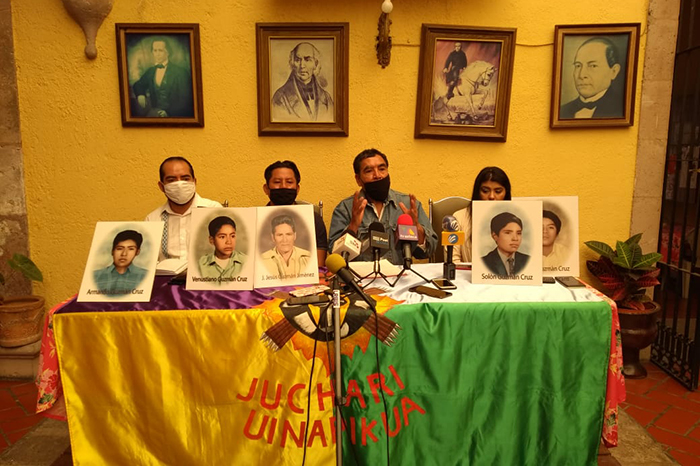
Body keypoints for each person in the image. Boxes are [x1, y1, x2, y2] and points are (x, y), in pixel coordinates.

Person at [328, 148, 437, 265]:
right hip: (361, 276)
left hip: (399, 275)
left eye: (382, 169)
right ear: (358, 179)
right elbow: (336, 256)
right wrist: (353, 226)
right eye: (369, 171)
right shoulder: (345, 208)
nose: (377, 175)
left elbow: (428, 252)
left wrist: (416, 227)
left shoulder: (407, 205)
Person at [145, 157, 221, 262]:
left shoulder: (214, 211)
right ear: (161, 186)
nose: (179, 184)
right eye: (171, 180)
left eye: (185, 179)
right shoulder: (152, 220)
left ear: (194, 182)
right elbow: (148, 262)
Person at [262, 160, 328, 266]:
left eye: (289, 182)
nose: (283, 186)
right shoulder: (257, 220)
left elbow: (319, 266)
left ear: (297, 189)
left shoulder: (313, 219)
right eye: (277, 182)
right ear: (266, 189)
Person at [451, 166, 512, 263]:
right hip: (467, 272)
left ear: (506, 193)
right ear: (477, 192)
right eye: (485, 191)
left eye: (498, 191)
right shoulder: (458, 218)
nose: (491, 196)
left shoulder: (515, 219)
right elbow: (453, 261)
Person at [560, 37, 624, 119]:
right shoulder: (562, 111)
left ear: (614, 71)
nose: (581, 75)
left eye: (593, 66)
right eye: (578, 66)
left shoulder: (621, 109)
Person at [132, 38, 194, 118]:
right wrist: (140, 94)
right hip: (155, 111)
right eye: (155, 50)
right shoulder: (151, 71)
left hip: (175, 114)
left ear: (168, 52)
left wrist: (169, 112)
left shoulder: (181, 72)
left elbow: (185, 100)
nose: (157, 54)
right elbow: (138, 85)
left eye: (160, 50)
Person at [272, 42, 334, 122]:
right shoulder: (280, 97)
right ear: (292, 63)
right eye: (297, 60)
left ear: (315, 64)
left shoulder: (326, 98)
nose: (302, 66)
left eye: (307, 60)